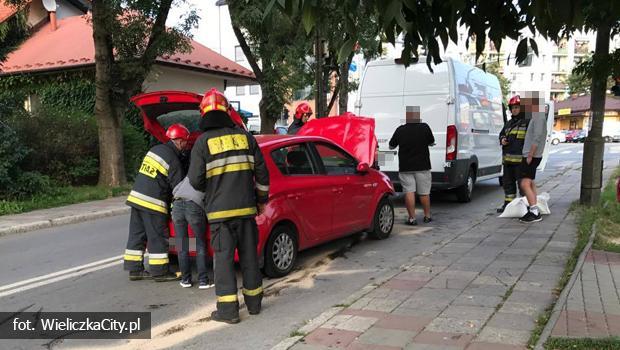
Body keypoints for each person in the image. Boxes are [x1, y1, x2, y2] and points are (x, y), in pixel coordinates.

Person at [188, 88, 270, 324]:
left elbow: (195, 181)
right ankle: (254, 305)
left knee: (223, 262)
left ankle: (228, 311)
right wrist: (261, 201)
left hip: (219, 215)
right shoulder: (246, 138)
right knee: (250, 258)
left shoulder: (202, 143)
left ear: (203, 113)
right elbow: (263, 175)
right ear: (227, 112)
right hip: (246, 211)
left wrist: (211, 187)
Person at [124, 123, 188, 282]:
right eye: (186, 142)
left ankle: (135, 270)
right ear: (179, 141)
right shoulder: (174, 160)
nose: (186, 145)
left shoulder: (155, 150)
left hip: (136, 199)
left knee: (137, 235)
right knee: (158, 237)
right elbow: (178, 189)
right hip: (153, 202)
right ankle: (160, 272)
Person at [389, 106, 435, 225]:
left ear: (407, 117)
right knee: (424, 192)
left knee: (409, 192)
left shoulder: (400, 130)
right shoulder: (425, 127)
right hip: (423, 166)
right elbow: (431, 142)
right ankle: (427, 216)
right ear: (417, 117)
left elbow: (391, 146)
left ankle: (412, 219)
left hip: (406, 167)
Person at [171, 175, 214, 289]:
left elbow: (175, 189)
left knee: (182, 245)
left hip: (177, 204)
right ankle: (203, 281)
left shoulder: (190, 174)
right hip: (194, 205)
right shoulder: (211, 176)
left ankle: (185, 280)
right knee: (199, 244)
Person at [497, 95, 529, 213]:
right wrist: (502, 139)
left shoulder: (527, 122)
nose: (515, 109)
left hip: (521, 162)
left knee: (523, 186)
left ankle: (524, 206)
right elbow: (501, 134)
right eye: (513, 107)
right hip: (508, 161)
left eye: (517, 107)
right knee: (508, 184)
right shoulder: (509, 123)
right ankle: (508, 205)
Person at [519, 92, 547, 223]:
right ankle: (534, 209)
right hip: (532, 155)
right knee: (530, 183)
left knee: (524, 183)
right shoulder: (536, 117)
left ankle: (534, 212)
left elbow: (537, 137)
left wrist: (530, 154)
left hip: (532, 155)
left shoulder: (538, 118)